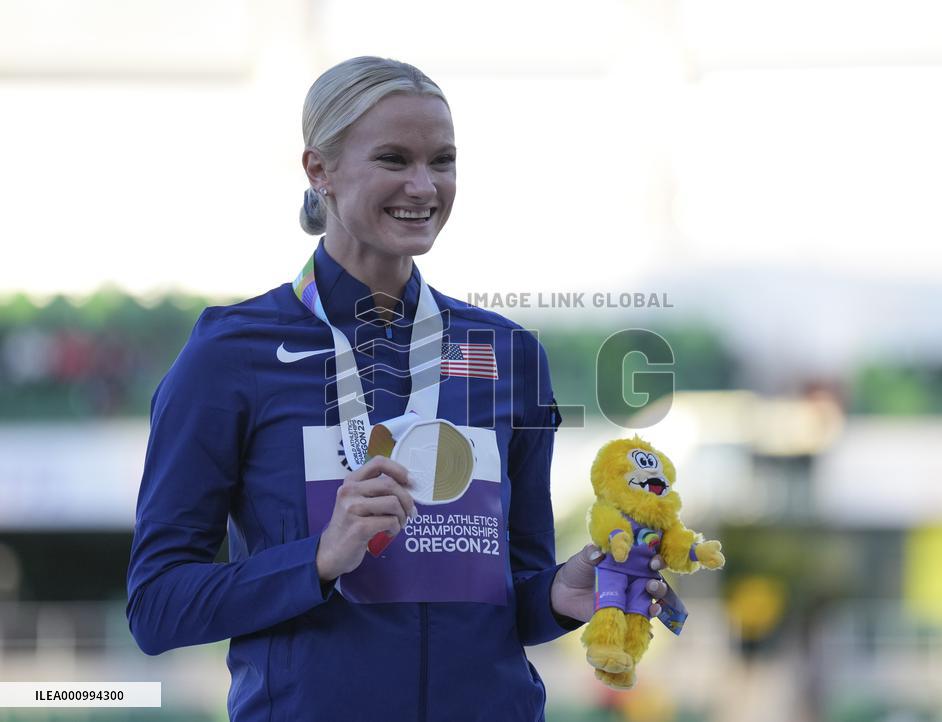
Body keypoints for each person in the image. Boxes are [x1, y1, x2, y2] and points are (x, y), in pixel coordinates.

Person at [125, 56, 672, 722]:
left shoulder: (508, 354)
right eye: (393, 159)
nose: (424, 186)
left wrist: (561, 592)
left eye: (442, 161)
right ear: (318, 170)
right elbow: (156, 608)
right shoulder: (230, 353)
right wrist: (319, 560)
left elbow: (513, 594)